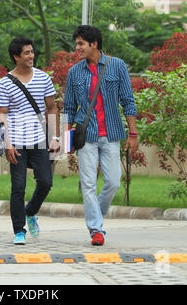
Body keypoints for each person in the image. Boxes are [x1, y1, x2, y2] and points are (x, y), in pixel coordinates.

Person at [63, 25, 139, 246]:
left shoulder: (117, 66)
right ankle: (96, 229)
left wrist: (132, 133)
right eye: (76, 44)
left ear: (93, 44)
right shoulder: (74, 72)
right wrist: (67, 137)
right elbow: (68, 107)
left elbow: (128, 101)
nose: (77, 48)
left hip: (112, 133)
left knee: (113, 182)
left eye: (80, 44)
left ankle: (95, 211)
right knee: (87, 183)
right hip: (86, 135)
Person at [0, 37, 60, 245]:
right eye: (27, 53)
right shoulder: (5, 83)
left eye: (32, 52)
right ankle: (19, 230)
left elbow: (52, 108)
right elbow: (2, 114)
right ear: (16, 57)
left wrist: (55, 137)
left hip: (40, 140)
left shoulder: (43, 78)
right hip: (16, 142)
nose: (31, 56)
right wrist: (8, 143)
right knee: (18, 187)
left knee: (46, 182)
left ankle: (30, 211)